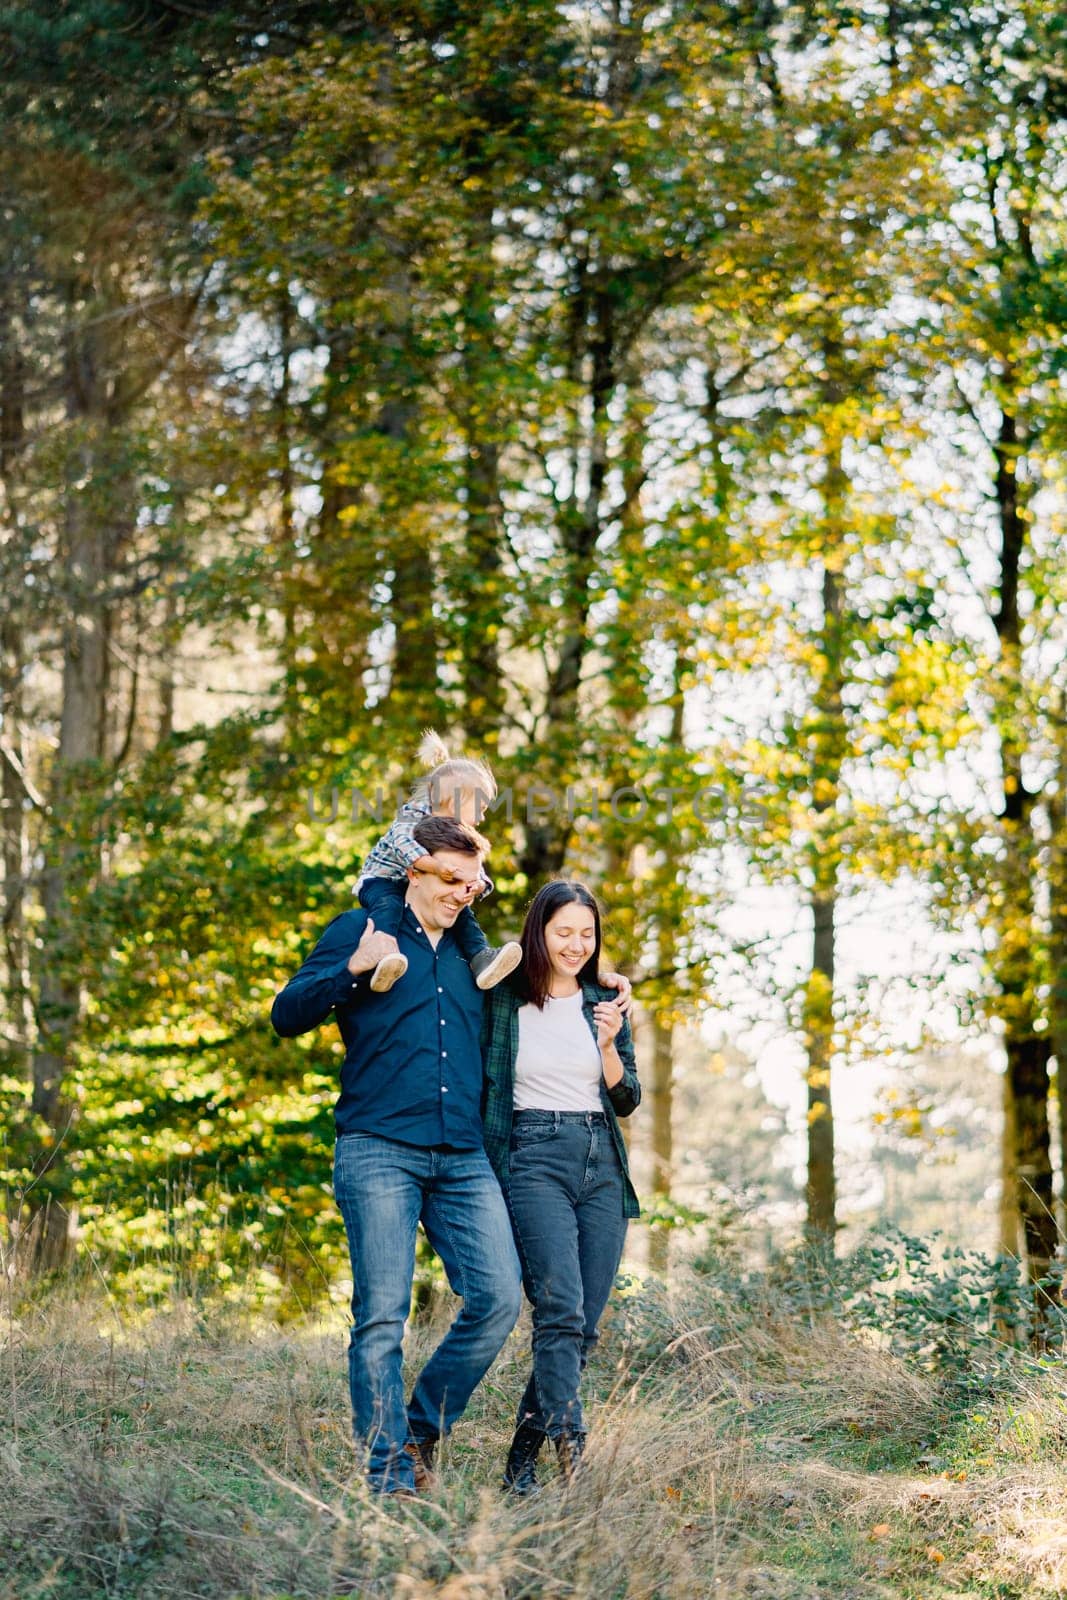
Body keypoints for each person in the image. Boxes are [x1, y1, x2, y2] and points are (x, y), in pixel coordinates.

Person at [271, 814, 522, 1496]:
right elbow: (285, 1014)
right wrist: (349, 975)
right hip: (378, 1147)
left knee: (498, 1298)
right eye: (450, 879)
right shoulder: (361, 933)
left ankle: (417, 1430)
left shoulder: (477, 957)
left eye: (473, 885)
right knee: (382, 1317)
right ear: (413, 869)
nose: (463, 894)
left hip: (462, 1156)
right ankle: (386, 1475)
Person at [481, 880, 641, 1494]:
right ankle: (574, 1456)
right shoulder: (503, 997)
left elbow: (626, 1100)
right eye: (562, 932)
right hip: (533, 1155)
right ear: (538, 933)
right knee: (560, 1312)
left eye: (586, 934)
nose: (575, 945)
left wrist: (608, 1045)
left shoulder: (606, 1000)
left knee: (585, 1326)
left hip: (602, 1160)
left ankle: (522, 1458)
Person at [356, 730, 521, 994]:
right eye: (479, 807)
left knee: (464, 913)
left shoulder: (456, 831)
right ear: (454, 800)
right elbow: (403, 844)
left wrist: (478, 884)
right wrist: (437, 868)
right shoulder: (416, 813)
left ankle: (481, 958)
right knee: (389, 906)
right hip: (383, 879)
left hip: (418, 885)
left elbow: (472, 863)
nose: (481, 816)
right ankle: (382, 956)